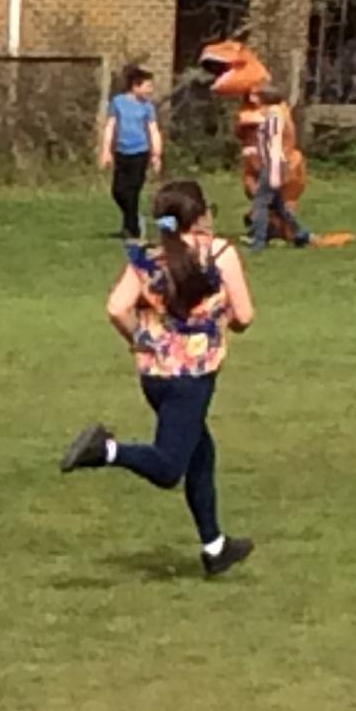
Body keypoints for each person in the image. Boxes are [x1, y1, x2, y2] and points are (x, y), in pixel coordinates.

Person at [59, 177, 255, 577]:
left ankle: (215, 546)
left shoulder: (147, 259)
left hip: (154, 374)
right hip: (193, 377)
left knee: (201, 452)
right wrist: (222, 323)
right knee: (169, 466)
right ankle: (105, 451)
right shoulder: (219, 254)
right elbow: (245, 316)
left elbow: (116, 308)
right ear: (201, 215)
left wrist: (143, 340)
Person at [245, 84, 313, 250]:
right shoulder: (273, 113)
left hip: (272, 164)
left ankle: (258, 241)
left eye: (257, 96)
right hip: (273, 163)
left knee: (260, 203)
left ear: (265, 98)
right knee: (278, 205)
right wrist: (254, 150)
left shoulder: (274, 115)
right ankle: (300, 233)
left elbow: (272, 141)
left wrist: (272, 171)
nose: (254, 99)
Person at [97, 64, 162, 239]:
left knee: (133, 191)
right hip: (121, 152)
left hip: (140, 152)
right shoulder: (118, 102)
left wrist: (156, 155)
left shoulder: (147, 107)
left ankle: (131, 229)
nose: (150, 90)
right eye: (147, 86)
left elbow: (153, 130)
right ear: (135, 86)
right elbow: (110, 126)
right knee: (118, 191)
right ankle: (133, 220)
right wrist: (106, 151)